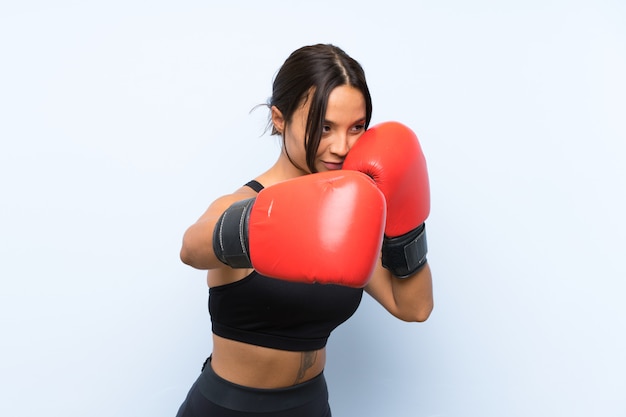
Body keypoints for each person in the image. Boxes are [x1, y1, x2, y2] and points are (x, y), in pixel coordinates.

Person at [176, 43, 433, 417]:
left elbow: (414, 307)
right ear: (279, 119)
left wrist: (404, 227)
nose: (341, 147)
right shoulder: (247, 202)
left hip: (310, 405)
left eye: (356, 128)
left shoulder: (353, 213)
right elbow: (190, 249)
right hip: (229, 408)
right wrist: (259, 226)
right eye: (324, 127)